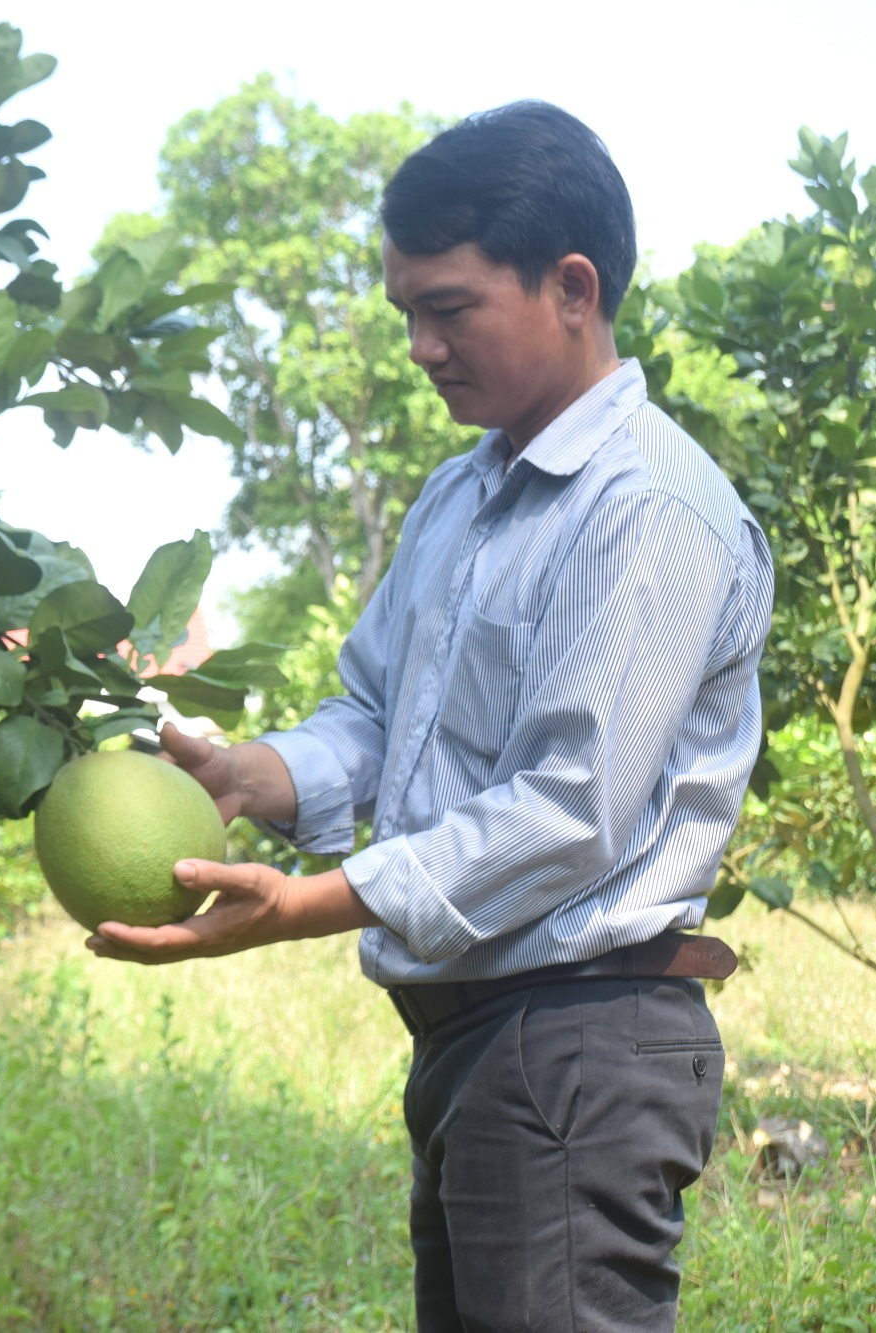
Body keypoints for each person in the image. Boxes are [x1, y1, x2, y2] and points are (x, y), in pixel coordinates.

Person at [86, 100, 774, 1333]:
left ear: (571, 287)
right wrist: (251, 775)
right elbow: (373, 715)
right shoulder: (458, 500)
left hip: (578, 1040)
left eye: (447, 308)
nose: (416, 345)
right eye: (405, 310)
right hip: (478, 1038)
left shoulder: (645, 509)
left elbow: (567, 810)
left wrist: (312, 905)